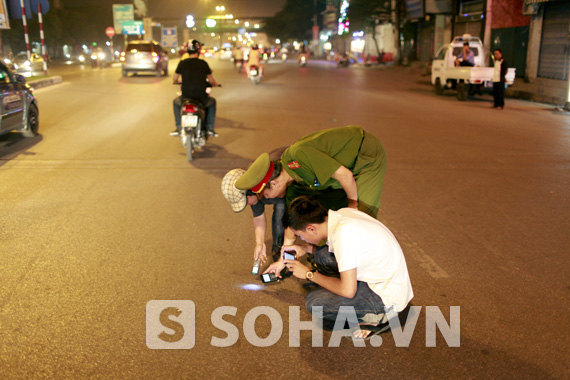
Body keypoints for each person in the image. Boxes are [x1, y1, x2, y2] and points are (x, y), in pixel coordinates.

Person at [263, 196, 414, 339]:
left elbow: (348, 291)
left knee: (315, 302)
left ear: (311, 228)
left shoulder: (344, 235)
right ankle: (348, 290)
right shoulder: (342, 215)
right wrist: (305, 248)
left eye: (300, 235)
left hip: (386, 295)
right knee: (322, 255)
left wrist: (309, 274)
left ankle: (377, 317)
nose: (301, 238)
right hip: (385, 277)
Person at [235, 125, 387, 219]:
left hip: (365, 155)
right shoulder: (293, 171)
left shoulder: (297, 156)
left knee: (362, 217)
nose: (265, 198)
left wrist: (353, 205)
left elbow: (345, 176)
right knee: (327, 215)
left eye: (264, 194)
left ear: (274, 183)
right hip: (348, 167)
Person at [221, 168, 286, 264]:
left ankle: (279, 247)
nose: (247, 205)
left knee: (280, 216)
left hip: (284, 192)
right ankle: (278, 250)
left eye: (245, 202)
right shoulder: (253, 196)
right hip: (269, 194)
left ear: (249, 192)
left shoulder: (271, 184)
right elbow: (259, 218)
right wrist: (259, 243)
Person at [171, 40, 220, 137]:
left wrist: (177, 82)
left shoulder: (182, 63)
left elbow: (175, 78)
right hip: (201, 97)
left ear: (187, 51)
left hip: (186, 96)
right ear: (198, 51)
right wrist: (215, 84)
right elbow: (211, 80)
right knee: (212, 102)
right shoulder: (203, 63)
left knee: (176, 102)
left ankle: (179, 127)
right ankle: (210, 128)